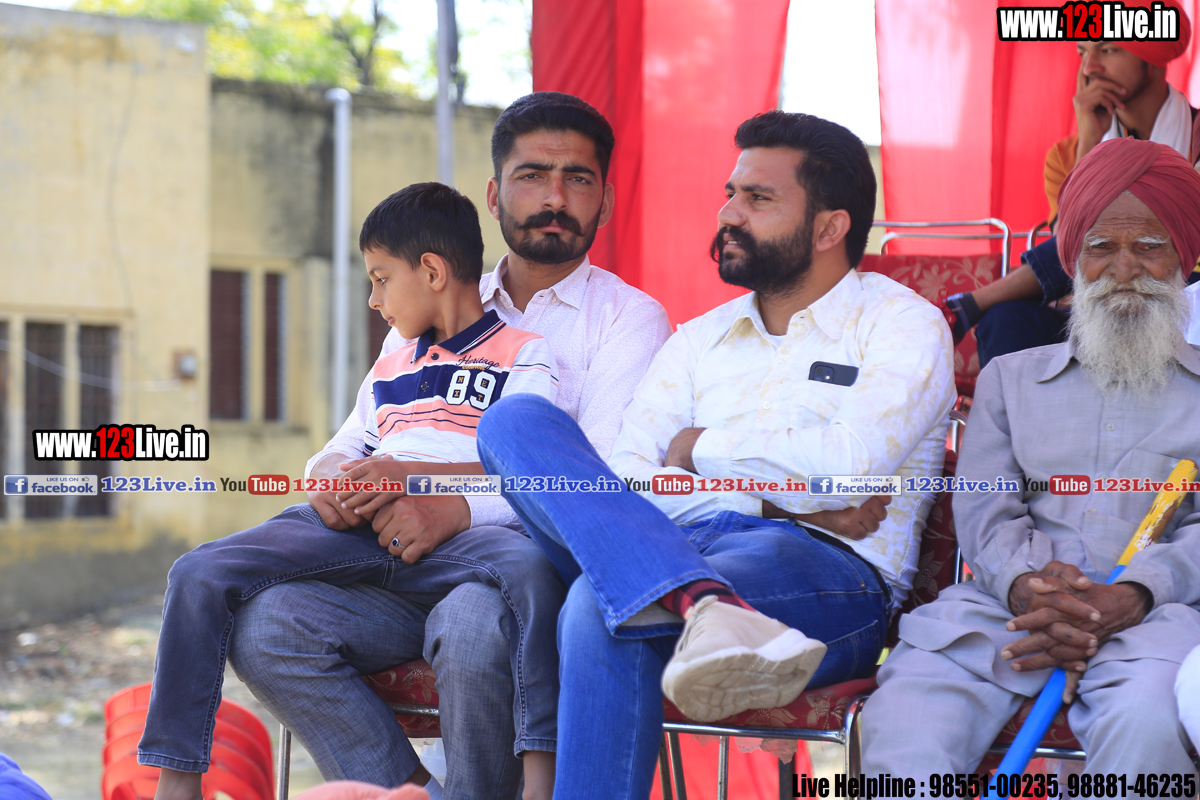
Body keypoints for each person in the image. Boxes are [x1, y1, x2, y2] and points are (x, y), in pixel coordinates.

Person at [473, 111, 956, 798]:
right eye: (731, 193)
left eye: (758, 198)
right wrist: (773, 500)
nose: (729, 213)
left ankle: (685, 594)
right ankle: (701, 600)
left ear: (828, 228)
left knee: (598, 605)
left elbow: (846, 469)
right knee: (516, 422)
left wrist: (700, 450)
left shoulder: (902, 325)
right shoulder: (699, 339)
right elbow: (630, 480)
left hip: (828, 577)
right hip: (675, 545)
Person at [225, 92, 675, 800]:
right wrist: (334, 478)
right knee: (266, 626)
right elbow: (355, 435)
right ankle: (407, 792)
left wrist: (457, 509)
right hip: (399, 569)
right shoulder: (430, 295)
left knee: (470, 621)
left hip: (528, 582)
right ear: (495, 195)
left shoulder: (628, 320)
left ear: (606, 202)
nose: (554, 198)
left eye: (577, 179)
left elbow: (597, 488)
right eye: (532, 176)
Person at [141, 183, 566, 800]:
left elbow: (530, 474)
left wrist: (414, 480)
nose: (374, 299)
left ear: (432, 272)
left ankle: (538, 783)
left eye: (381, 279)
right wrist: (332, 482)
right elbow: (338, 450)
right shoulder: (393, 363)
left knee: (533, 570)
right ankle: (178, 779)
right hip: (362, 541)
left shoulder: (524, 356)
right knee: (198, 571)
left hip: (466, 551)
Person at [861, 137, 1200, 775]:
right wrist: (1029, 588)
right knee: (904, 721)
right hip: (1005, 611)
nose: (1124, 268)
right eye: (1101, 246)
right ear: (1073, 260)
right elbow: (985, 510)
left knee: (1148, 726)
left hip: (1158, 620)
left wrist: (1136, 592)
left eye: (1150, 246)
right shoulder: (1009, 379)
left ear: (1183, 255)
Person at [943, 0, 1199, 367]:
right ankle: (987, 316)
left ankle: (973, 303)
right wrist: (1090, 143)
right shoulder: (1065, 155)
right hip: (1100, 299)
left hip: (1180, 291)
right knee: (1005, 320)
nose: (1090, 67)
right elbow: (1069, 252)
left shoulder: (1196, 138)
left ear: (1152, 57)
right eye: (1083, 52)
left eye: (1107, 50)